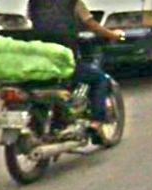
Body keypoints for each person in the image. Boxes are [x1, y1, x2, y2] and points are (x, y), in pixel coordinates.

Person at [28, 0, 124, 133]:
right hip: (63, 62)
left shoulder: (34, 3)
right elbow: (92, 25)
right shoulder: (73, 3)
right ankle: (97, 122)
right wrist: (114, 35)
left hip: (40, 62)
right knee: (99, 79)